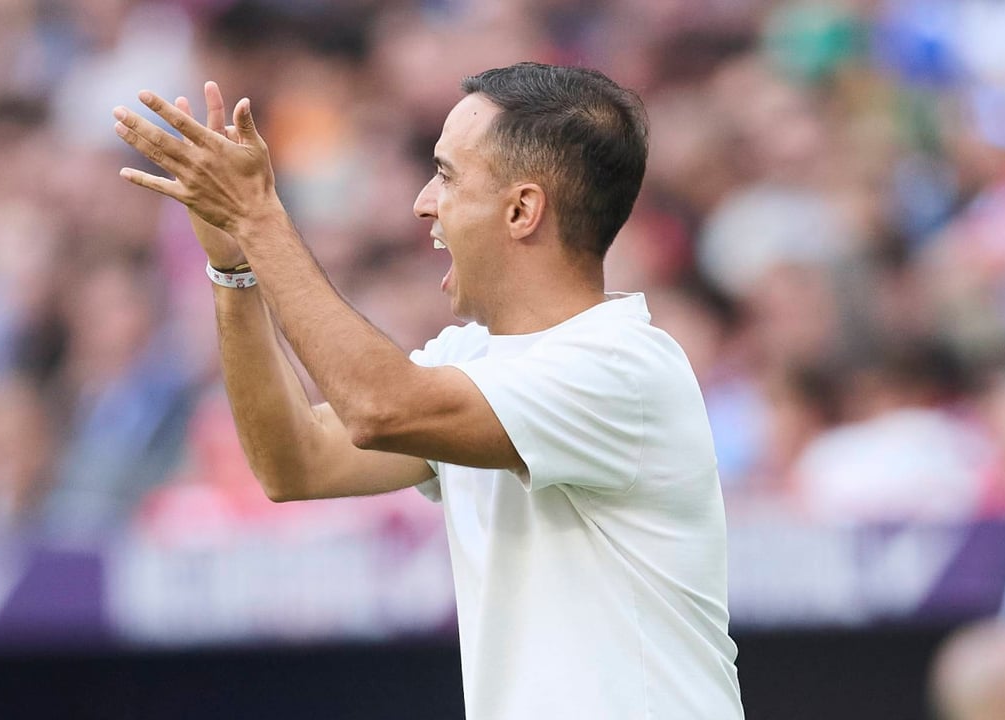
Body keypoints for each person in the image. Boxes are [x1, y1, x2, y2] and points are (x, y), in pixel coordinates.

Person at [111, 62, 744, 719]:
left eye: (446, 175)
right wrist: (234, 264)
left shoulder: (620, 367)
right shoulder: (468, 359)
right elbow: (295, 462)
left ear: (522, 210)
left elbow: (379, 409)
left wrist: (259, 216)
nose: (423, 202)